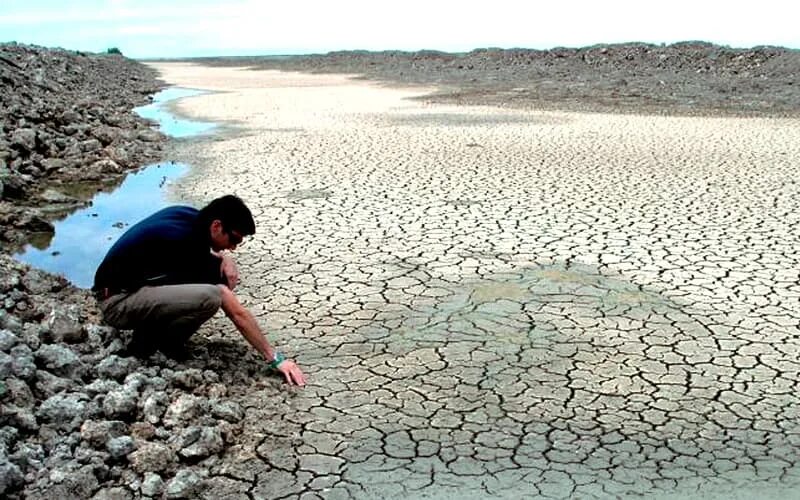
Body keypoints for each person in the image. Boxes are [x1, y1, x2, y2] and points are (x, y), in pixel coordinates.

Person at [93, 194, 306, 386]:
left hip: (126, 289)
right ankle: (153, 344)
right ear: (216, 226)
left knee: (210, 287)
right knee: (212, 295)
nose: (233, 247)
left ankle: (154, 336)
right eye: (233, 239)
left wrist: (225, 257)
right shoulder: (184, 244)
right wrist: (274, 358)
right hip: (117, 302)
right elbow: (235, 311)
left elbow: (212, 257)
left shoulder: (191, 217)